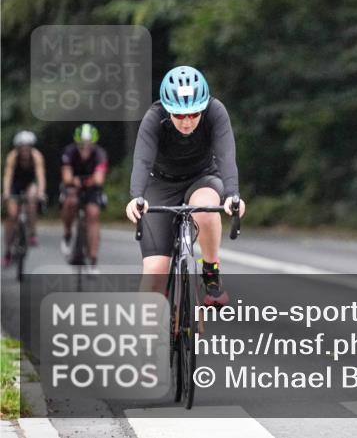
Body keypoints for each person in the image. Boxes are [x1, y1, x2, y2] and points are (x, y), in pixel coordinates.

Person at [125, 66, 245, 306]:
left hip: (201, 178)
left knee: (206, 208)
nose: (187, 122)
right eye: (179, 115)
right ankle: (147, 341)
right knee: (155, 271)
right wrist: (136, 196)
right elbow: (142, 159)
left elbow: (226, 155)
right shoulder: (154, 117)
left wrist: (233, 195)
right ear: (168, 109)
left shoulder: (215, 111)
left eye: (194, 114)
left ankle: (211, 273)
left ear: (203, 107)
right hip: (160, 184)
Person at [59, 124, 108, 273]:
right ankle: (67, 233)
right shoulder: (69, 152)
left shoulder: (100, 154)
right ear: (76, 143)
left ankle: (93, 258)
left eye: (88, 145)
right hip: (73, 186)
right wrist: (75, 182)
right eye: (82, 145)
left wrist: (86, 182)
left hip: (92, 187)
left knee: (93, 214)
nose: (85, 148)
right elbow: (67, 177)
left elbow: (99, 179)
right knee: (70, 201)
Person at [2, 130, 46, 266]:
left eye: (28, 147)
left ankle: (32, 233)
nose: (25, 150)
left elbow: (40, 176)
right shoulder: (12, 157)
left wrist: (41, 192)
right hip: (15, 184)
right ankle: (8, 251)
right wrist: (6, 192)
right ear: (18, 148)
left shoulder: (37, 156)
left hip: (29, 184)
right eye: (22, 147)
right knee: (12, 214)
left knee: (32, 199)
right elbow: (8, 176)